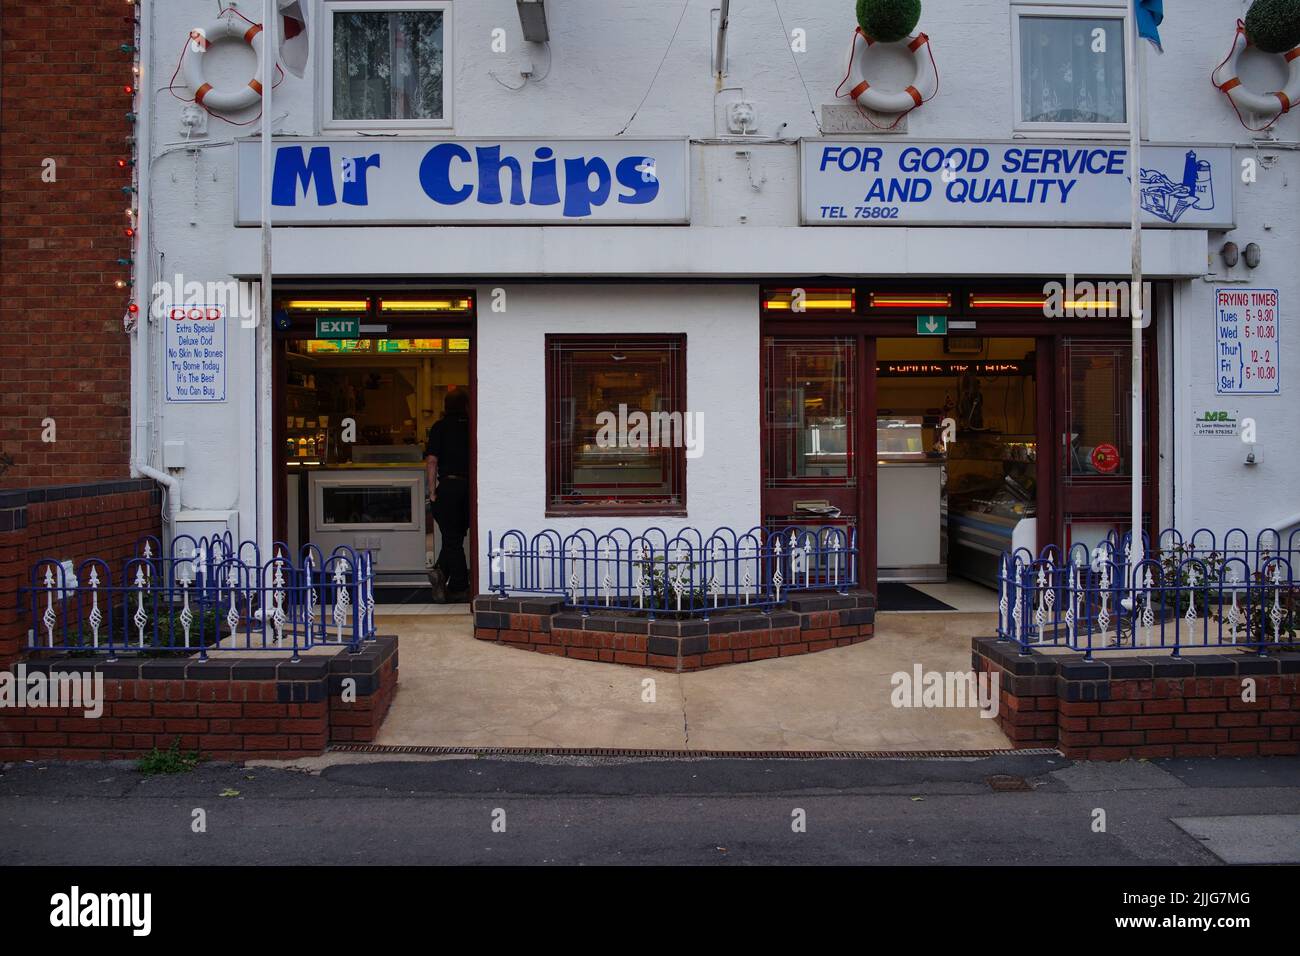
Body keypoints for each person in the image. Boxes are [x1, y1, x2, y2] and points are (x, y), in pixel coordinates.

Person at [425, 387, 471, 602]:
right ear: (466, 405)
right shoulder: (473, 426)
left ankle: (457, 584)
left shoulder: (439, 427)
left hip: (449, 487)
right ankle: (443, 575)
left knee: (452, 539)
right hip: (470, 488)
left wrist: (432, 492)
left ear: (445, 406)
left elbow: (432, 461)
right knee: (456, 537)